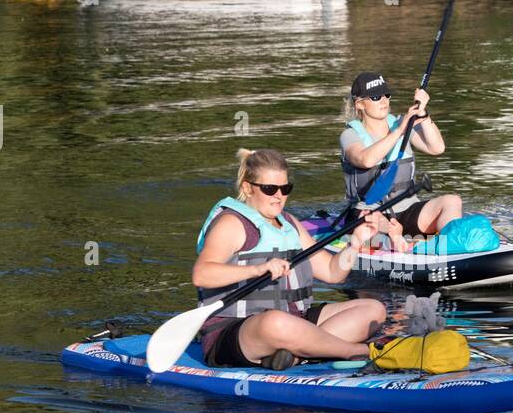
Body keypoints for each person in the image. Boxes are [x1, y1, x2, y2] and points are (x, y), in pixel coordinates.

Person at [193, 148, 387, 370]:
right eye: (269, 189)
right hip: (236, 332)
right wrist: (258, 269)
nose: (279, 196)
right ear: (247, 188)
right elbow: (202, 275)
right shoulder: (231, 224)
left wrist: (356, 242)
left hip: (293, 322)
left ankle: (296, 355)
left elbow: (333, 273)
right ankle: (358, 352)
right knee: (274, 323)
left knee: (373, 309)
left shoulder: (289, 224)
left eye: (285, 189)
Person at [340, 71, 463, 244]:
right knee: (369, 220)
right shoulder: (350, 135)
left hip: (407, 209)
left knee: (452, 201)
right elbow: (365, 159)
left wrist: (424, 116)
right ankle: (394, 240)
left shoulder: (401, 123)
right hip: (370, 211)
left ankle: (452, 248)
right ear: (360, 104)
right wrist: (399, 131)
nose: (384, 100)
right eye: (375, 97)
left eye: (386, 95)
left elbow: (437, 148)